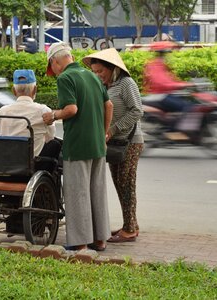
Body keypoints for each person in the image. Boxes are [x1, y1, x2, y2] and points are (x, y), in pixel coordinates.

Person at [42, 42, 113, 251]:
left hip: (77, 145)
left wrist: (53, 115)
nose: (54, 72)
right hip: (97, 144)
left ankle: (80, 243)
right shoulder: (91, 75)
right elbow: (108, 105)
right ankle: (100, 240)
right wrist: (103, 133)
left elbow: (71, 109)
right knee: (97, 192)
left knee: (77, 193)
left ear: (55, 62)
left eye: (52, 68)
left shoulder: (65, 78)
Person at [83, 48, 144, 243]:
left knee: (127, 184)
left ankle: (130, 229)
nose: (98, 75)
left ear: (113, 68)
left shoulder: (126, 83)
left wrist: (113, 129)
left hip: (130, 141)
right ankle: (130, 224)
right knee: (119, 184)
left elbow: (137, 111)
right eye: (95, 72)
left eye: (101, 71)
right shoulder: (105, 87)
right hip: (113, 142)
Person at [0, 69, 60, 166]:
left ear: (14, 91)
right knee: (55, 144)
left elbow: (2, 134)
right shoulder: (43, 110)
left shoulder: (3, 111)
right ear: (35, 89)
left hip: (7, 165)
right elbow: (50, 137)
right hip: (32, 166)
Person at [143, 41, 194, 113]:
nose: (169, 55)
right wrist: (181, 85)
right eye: (168, 53)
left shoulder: (161, 64)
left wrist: (183, 83)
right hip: (160, 96)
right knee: (187, 107)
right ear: (163, 53)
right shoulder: (155, 65)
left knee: (188, 103)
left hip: (165, 95)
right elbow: (162, 83)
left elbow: (171, 80)